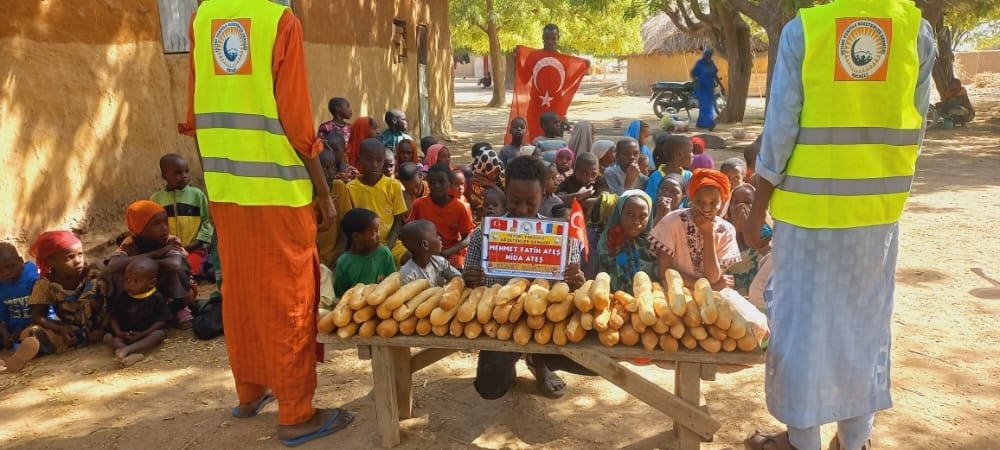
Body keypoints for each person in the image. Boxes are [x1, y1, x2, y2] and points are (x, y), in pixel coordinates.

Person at [741, 2, 935, 448]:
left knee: (801, 331)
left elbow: (781, 128)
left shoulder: (807, 31)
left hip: (807, 216)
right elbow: (917, 127)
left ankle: (802, 441)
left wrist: (757, 208)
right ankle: (854, 441)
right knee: (862, 328)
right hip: (875, 216)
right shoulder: (916, 32)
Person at [179, 0, 353, 442]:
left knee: (240, 291)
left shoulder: (202, 19)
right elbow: (298, 124)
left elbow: (196, 116)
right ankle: (296, 413)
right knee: (288, 296)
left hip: (226, 188)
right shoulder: (279, 22)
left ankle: (250, 391)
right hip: (277, 191)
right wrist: (322, 190)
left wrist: (212, 181)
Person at [463, 156, 588, 399]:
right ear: (505, 192)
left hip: (546, 321)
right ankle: (511, 363)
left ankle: (539, 363)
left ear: (544, 195)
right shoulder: (483, 234)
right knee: (490, 388)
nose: (522, 209)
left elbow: (570, 292)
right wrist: (470, 279)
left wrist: (576, 281)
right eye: (514, 200)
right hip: (499, 321)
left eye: (531, 202)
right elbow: (468, 288)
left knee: (590, 360)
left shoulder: (561, 238)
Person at [19, 231, 108, 367]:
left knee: (98, 286)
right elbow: (37, 315)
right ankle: (32, 347)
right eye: (69, 257)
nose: (78, 261)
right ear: (50, 261)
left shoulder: (93, 274)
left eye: (80, 254)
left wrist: (103, 328)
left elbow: (112, 304)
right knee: (32, 332)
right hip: (71, 329)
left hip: (102, 324)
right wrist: (60, 328)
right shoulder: (45, 284)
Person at [107, 201, 195, 328]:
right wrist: (157, 253)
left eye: (165, 222)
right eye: (156, 224)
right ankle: (127, 311)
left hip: (168, 289)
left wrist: (144, 266)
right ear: (140, 228)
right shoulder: (130, 243)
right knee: (115, 274)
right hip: (144, 291)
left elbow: (174, 264)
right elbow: (113, 265)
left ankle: (179, 308)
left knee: (178, 268)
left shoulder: (170, 240)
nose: (164, 228)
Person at [650, 169, 739, 290]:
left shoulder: (726, 231)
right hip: (676, 290)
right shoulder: (672, 220)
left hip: (712, 294)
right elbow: (665, 271)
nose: (706, 208)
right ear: (691, 199)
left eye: (713, 202)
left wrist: (708, 234)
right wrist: (711, 287)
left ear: (722, 202)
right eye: (699, 201)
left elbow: (712, 277)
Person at [344, 139, 409, 267]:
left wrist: (387, 248)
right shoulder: (350, 188)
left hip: (390, 242)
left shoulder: (393, 186)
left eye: (379, 160)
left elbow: (398, 221)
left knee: (410, 260)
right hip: (364, 244)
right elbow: (349, 223)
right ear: (360, 159)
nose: (374, 165)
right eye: (369, 159)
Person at [150, 154, 214, 279]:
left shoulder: (197, 195)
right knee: (164, 271)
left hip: (195, 248)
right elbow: (153, 227)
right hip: (169, 250)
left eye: (186, 171)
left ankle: (203, 267)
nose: (184, 175)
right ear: (164, 176)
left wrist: (197, 242)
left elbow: (207, 222)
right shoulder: (156, 199)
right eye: (178, 173)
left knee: (188, 272)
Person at [104, 257, 171, 368]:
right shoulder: (123, 296)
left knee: (159, 334)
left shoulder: (157, 297)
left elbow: (162, 321)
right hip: (126, 334)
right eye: (127, 280)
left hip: (146, 333)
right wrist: (119, 332)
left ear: (152, 283)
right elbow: (114, 317)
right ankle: (133, 355)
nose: (130, 284)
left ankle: (126, 350)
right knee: (112, 339)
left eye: (136, 281)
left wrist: (144, 333)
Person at [409, 164, 476, 269]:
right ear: (428, 183)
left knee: (457, 268)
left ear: (449, 182)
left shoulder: (460, 207)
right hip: (424, 253)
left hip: (450, 254)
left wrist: (446, 253)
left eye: (441, 181)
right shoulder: (418, 205)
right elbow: (411, 232)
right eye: (432, 182)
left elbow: (467, 237)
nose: (436, 185)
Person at [598, 190, 657, 293]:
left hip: (647, 299)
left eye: (643, 216)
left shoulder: (653, 243)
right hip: (612, 299)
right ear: (620, 213)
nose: (636, 221)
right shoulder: (607, 242)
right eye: (630, 214)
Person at [333, 208, 397, 298]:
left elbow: (393, 281)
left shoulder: (384, 253)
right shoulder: (343, 262)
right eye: (374, 232)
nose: (379, 236)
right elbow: (342, 296)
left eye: (379, 230)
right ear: (356, 237)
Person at [0, 243, 42, 373]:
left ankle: (22, 352)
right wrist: (5, 334)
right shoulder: (1, 287)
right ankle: (18, 348)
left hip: (36, 323)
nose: (7, 273)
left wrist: (21, 330)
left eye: (11, 266)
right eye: (0, 271)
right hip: (13, 331)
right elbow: (2, 315)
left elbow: (41, 311)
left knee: (35, 334)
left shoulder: (33, 279)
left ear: (20, 261)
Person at [399, 220, 462, 287]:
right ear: (425, 245)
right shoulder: (407, 275)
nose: (440, 238)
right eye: (436, 235)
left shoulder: (440, 262)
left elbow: (458, 278)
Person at [647, 135, 694, 207]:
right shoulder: (655, 177)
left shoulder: (689, 176)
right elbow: (650, 203)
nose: (693, 155)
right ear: (680, 154)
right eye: (691, 152)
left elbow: (690, 202)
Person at [468, 144, 506, 223]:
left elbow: (507, 201)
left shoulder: (503, 177)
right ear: (483, 168)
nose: (495, 174)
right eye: (491, 171)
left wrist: (491, 185)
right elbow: (476, 205)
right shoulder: (476, 182)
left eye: (496, 170)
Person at [691, 48, 721, 131]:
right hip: (702, 87)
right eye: (705, 54)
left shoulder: (711, 63)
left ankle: (701, 123)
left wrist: (721, 85)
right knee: (705, 105)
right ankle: (709, 123)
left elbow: (715, 75)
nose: (705, 56)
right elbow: (693, 73)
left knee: (710, 105)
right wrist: (696, 80)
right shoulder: (699, 63)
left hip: (710, 87)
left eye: (708, 55)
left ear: (710, 55)